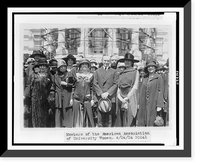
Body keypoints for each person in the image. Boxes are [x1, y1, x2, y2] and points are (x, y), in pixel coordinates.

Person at [24, 59, 52, 127]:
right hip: (35, 99)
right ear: (38, 67)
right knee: (35, 117)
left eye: (44, 66)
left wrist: (51, 99)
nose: (42, 67)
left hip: (44, 100)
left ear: (46, 67)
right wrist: (27, 98)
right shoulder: (33, 76)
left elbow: (51, 88)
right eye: (41, 66)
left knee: (44, 117)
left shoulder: (49, 76)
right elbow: (29, 86)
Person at [137, 59, 164, 126]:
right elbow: (140, 90)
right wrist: (138, 103)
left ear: (155, 68)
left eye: (152, 66)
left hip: (153, 103)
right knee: (143, 121)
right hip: (143, 103)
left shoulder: (159, 78)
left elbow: (160, 91)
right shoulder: (144, 77)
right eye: (149, 67)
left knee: (152, 121)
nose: (150, 68)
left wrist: (159, 105)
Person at [115, 53, 140, 127]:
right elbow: (118, 87)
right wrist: (120, 97)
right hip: (121, 98)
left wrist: (127, 97)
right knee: (121, 119)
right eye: (125, 61)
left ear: (132, 62)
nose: (127, 62)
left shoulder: (135, 72)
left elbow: (135, 86)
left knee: (130, 118)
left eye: (129, 61)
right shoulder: (121, 73)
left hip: (130, 97)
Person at [93, 55, 118, 127]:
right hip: (100, 97)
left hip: (109, 97)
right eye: (105, 61)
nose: (106, 62)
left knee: (109, 118)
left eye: (108, 61)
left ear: (110, 62)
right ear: (102, 61)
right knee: (100, 118)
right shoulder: (97, 71)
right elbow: (95, 83)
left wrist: (108, 93)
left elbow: (116, 84)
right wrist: (101, 94)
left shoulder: (114, 71)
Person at [51, 59, 75, 127]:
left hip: (67, 94)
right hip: (58, 96)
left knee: (67, 110)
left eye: (64, 66)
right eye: (61, 67)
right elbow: (53, 86)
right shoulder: (55, 76)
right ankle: (58, 126)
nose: (63, 68)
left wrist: (66, 84)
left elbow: (73, 85)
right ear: (58, 68)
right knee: (58, 111)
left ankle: (68, 125)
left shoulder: (69, 74)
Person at [71, 58, 95, 127]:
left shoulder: (91, 75)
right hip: (77, 97)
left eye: (86, 65)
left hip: (87, 98)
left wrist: (92, 99)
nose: (84, 66)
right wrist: (71, 99)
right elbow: (73, 87)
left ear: (88, 67)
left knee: (88, 115)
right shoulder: (76, 75)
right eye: (83, 64)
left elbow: (92, 88)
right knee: (76, 115)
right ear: (80, 66)